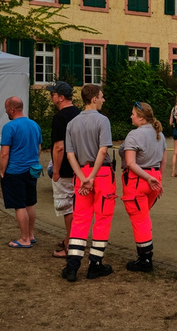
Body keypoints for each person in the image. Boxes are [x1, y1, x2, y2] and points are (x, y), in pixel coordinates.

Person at [63, 84, 116, 282]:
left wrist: (83, 177)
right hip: (100, 174)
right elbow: (103, 151)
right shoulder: (103, 121)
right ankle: (95, 264)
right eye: (101, 97)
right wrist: (93, 177)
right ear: (94, 98)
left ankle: (72, 266)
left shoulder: (72, 123)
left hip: (81, 175)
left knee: (80, 219)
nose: (103, 100)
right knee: (102, 218)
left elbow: (70, 154)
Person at [120, 101, 167, 272]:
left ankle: (146, 258)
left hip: (138, 180)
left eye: (133, 114)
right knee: (143, 217)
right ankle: (143, 254)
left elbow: (131, 163)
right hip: (154, 178)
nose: (131, 116)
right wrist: (158, 180)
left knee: (140, 220)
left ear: (140, 117)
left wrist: (147, 178)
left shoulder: (134, 135)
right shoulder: (159, 134)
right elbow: (163, 160)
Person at [0, 97, 43, 248]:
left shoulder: (9, 127)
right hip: (32, 170)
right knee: (30, 203)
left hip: (15, 171)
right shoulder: (34, 125)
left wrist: (2, 171)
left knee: (19, 205)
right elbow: (38, 149)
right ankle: (30, 235)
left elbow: (5, 153)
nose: (5, 111)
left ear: (12, 109)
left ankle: (24, 239)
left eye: (6, 108)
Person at [45, 81, 80, 258]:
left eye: (53, 94)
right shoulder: (79, 114)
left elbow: (59, 147)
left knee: (67, 207)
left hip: (65, 168)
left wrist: (56, 170)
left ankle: (70, 244)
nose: (51, 97)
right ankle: (70, 237)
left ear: (61, 97)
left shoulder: (60, 117)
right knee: (77, 205)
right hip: (79, 167)